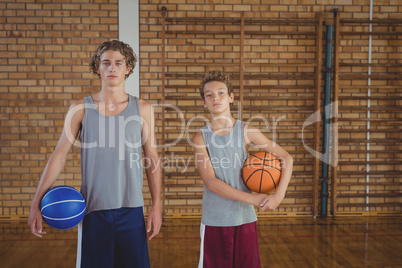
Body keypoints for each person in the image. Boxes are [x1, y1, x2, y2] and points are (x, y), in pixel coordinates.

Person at [28, 40, 162, 268]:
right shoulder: (80, 109)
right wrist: (36, 201)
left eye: (119, 63)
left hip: (131, 210)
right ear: (97, 68)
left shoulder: (143, 109)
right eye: (106, 63)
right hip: (93, 212)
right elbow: (59, 155)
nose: (112, 68)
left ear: (128, 68)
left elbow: (152, 158)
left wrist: (157, 204)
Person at [192, 70, 293, 268]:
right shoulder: (200, 138)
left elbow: (286, 158)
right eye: (209, 95)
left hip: (244, 217)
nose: (215, 98)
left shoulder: (246, 131)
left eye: (221, 93)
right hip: (215, 220)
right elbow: (211, 182)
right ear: (204, 102)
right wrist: (254, 199)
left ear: (231, 97)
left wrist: (278, 195)